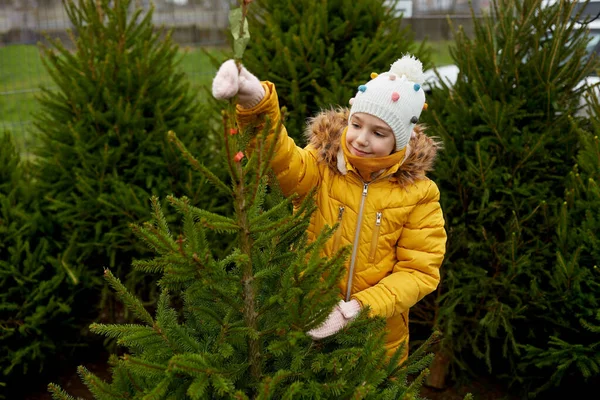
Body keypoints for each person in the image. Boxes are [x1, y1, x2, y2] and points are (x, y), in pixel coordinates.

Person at [212, 54, 447, 362]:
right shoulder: (323, 165)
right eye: (357, 124)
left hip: (377, 338)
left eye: (378, 133)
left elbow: (418, 271)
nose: (361, 140)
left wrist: (359, 308)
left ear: (400, 140)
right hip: (307, 319)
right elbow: (282, 162)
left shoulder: (419, 194)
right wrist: (257, 103)